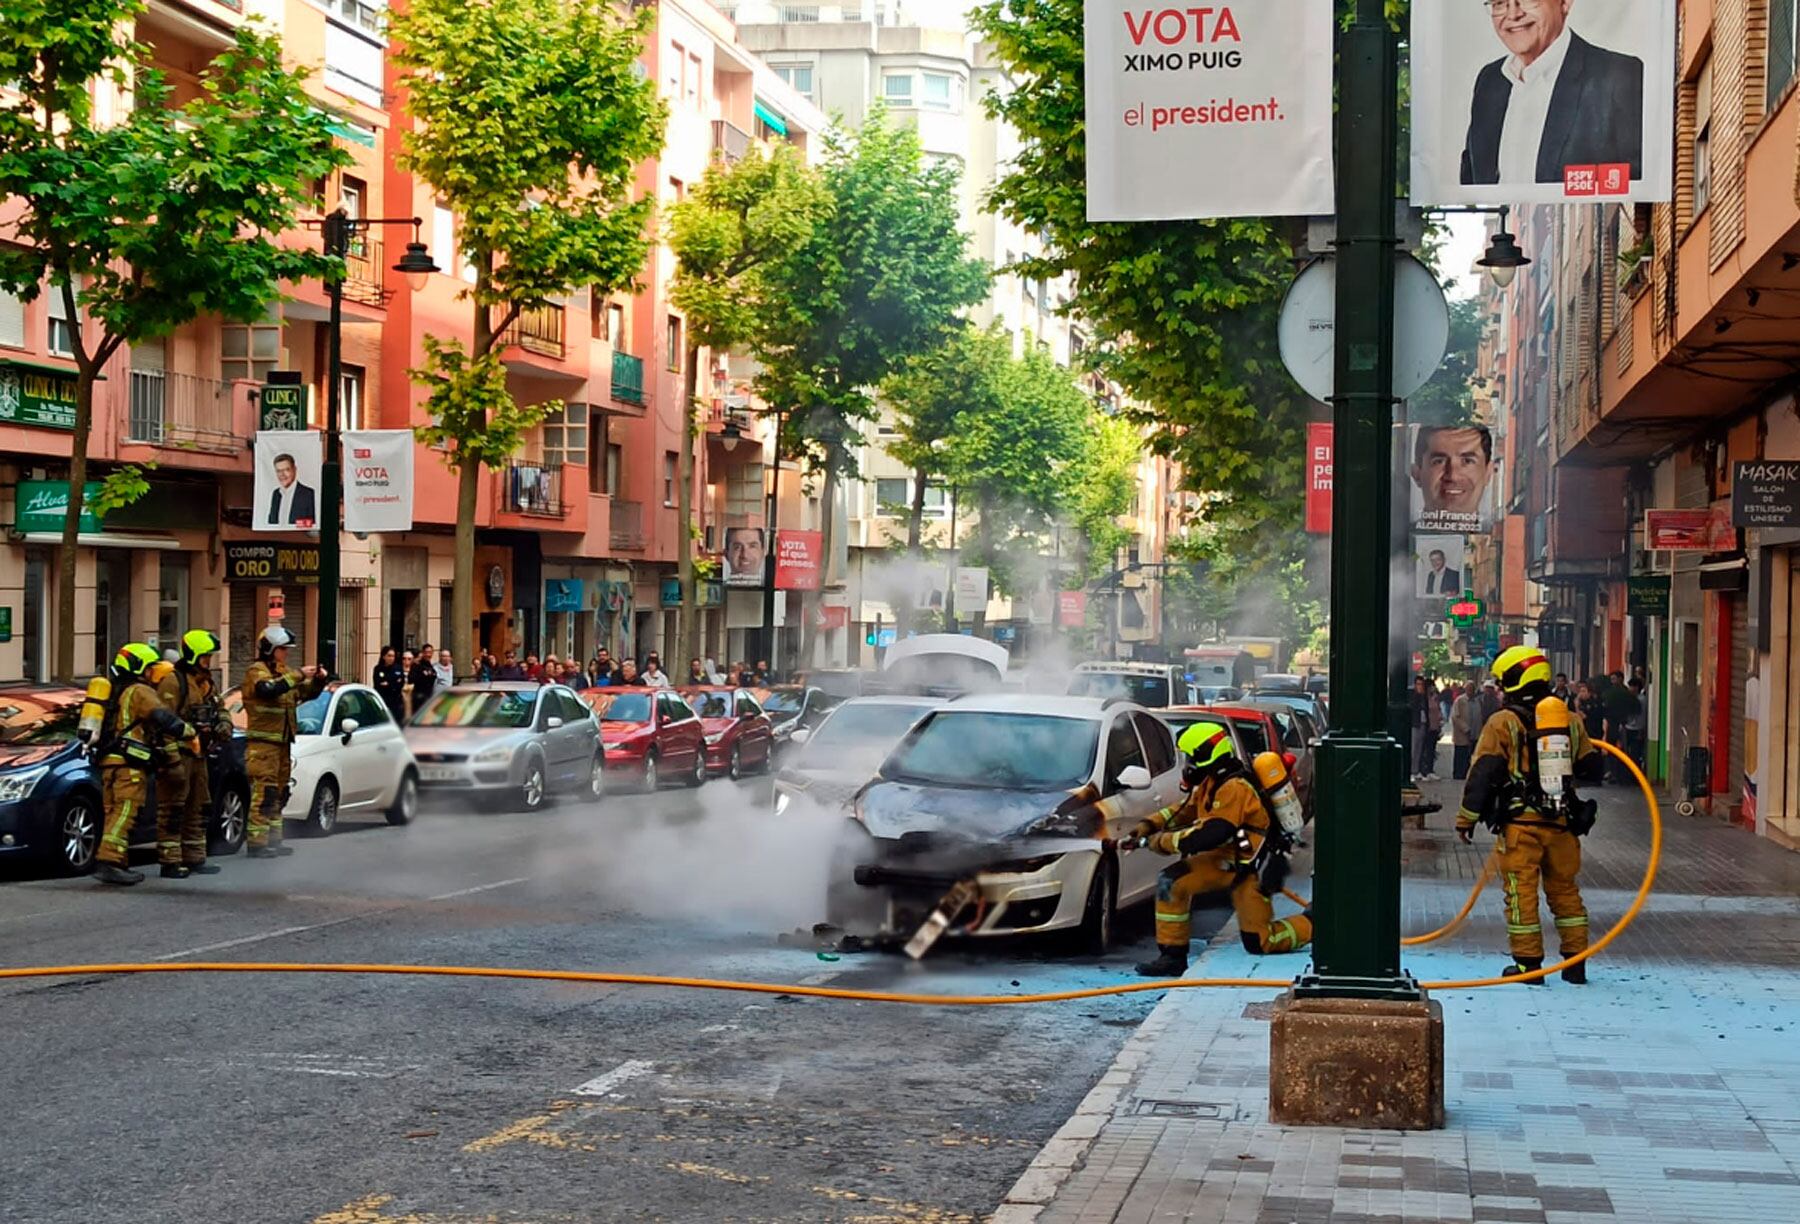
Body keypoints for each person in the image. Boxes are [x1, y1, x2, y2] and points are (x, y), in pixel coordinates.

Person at [1456, 645, 1600, 984]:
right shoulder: (1570, 720)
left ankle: (1528, 966)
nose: (1502, 690)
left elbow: (1484, 774)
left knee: (1521, 895)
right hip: (1562, 823)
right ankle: (1575, 965)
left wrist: (1466, 818)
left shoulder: (1503, 722)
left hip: (1522, 828)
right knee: (1566, 892)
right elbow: (1592, 767)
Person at [1129, 720, 1312, 976]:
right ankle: (1172, 957)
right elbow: (1185, 810)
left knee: (1259, 942)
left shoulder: (1234, 787)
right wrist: (1149, 824)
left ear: (1207, 754)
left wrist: (1159, 841)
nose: (1188, 764)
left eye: (1192, 757)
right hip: (1226, 861)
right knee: (1171, 881)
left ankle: (1313, 924)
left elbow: (1211, 834)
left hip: (1252, 869)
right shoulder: (1212, 781)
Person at [1458, 0, 1645, 187]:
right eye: (1500, 3)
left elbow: (1636, 184)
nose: (1513, 14)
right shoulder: (1490, 81)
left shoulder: (1619, 75)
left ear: (1565, 3)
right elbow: (1471, 178)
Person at [91, 643, 194, 886]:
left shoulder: (113, 691)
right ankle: (110, 863)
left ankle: (117, 859)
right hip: (128, 764)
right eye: (148, 668)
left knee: (113, 812)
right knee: (127, 811)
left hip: (108, 762)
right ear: (138, 667)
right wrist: (186, 730)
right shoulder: (139, 690)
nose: (151, 674)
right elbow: (161, 715)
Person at [153, 630, 233, 879]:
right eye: (206, 657)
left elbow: (220, 708)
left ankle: (195, 857)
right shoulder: (174, 682)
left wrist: (223, 725)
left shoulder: (206, 683)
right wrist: (170, 758)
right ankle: (170, 861)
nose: (209, 661)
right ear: (194, 656)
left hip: (199, 755)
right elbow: (163, 721)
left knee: (199, 806)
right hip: (179, 753)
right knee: (173, 807)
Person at [240, 626, 326, 859]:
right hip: (263, 745)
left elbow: (303, 693)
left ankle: (274, 840)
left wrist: (318, 682)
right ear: (270, 649)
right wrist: (298, 675)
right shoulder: (256, 671)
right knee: (264, 793)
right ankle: (257, 843)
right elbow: (267, 690)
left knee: (280, 792)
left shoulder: (285, 673)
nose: (286, 654)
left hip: (282, 744)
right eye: (282, 649)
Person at [1411, 425, 1495, 528]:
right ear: (1417, 474)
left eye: (1467, 461)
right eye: (1439, 461)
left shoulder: (1501, 542)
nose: (1453, 476)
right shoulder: (1396, 541)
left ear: (1488, 473)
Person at [1602, 670, 1640, 781]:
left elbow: (1634, 709)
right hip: (1612, 725)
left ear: (1621, 679)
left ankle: (1619, 773)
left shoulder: (1625, 694)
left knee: (1622, 749)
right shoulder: (1610, 693)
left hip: (1623, 725)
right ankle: (1613, 772)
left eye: (1614, 679)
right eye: (1611, 679)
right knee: (1611, 749)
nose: (1613, 682)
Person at [266, 451, 317, 527]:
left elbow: (312, 523)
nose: (282, 475)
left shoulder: (309, 494)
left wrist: (295, 526)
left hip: (298, 538)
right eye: (279, 471)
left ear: (294, 470)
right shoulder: (276, 494)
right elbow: (272, 521)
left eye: (286, 470)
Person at [1410, 675, 1443, 781]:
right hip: (1416, 724)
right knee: (1414, 748)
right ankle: (1412, 771)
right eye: (1418, 684)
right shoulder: (1413, 696)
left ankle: (1417, 770)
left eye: (1422, 685)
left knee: (1420, 749)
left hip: (1424, 724)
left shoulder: (1424, 697)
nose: (1420, 687)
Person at [1574, 680, 1606, 784]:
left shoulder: (1594, 703)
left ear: (1589, 692)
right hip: (1585, 733)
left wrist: (1577, 705)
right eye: (1580, 691)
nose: (1581, 694)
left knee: (1595, 755)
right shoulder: (1582, 702)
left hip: (1594, 732)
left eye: (1584, 691)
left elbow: (1582, 716)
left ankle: (1596, 778)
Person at [1451, 680, 1483, 781]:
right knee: (1461, 755)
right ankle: (1458, 775)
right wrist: (1465, 728)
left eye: (1472, 689)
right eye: (1468, 689)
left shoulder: (1477, 701)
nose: (1470, 691)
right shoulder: (1460, 700)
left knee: (1471, 756)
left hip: (1475, 733)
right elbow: (1455, 717)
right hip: (1462, 735)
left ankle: (1468, 774)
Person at [373, 646, 408, 724]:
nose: (391, 658)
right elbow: (379, 685)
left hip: (396, 702)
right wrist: (392, 683)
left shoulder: (398, 668)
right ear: (383, 656)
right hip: (384, 701)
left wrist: (388, 684)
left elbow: (400, 684)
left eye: (393, 656)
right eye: (389, 656)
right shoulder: (378, 669)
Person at [409, 647, 439, 714]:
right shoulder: (417, 665)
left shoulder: (429, 665)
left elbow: (434, 676)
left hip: (428, 696)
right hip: (418, 698)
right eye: (426, 652)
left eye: (430, 652)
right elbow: (413, 679)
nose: (428, 654)